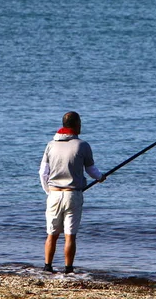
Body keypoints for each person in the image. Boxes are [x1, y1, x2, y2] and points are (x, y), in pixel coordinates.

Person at [39, 111, 106, 274]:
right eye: (80, 123)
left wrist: (49, 191)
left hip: (54, 194)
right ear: (76, 125)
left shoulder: (51, 145)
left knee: (51, 234)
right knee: (70, 235)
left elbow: (43, 173)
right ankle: (68, 270)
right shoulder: (82, 145)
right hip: (72, 194)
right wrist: (100, 177)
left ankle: (48, 267)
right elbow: (91, 169)